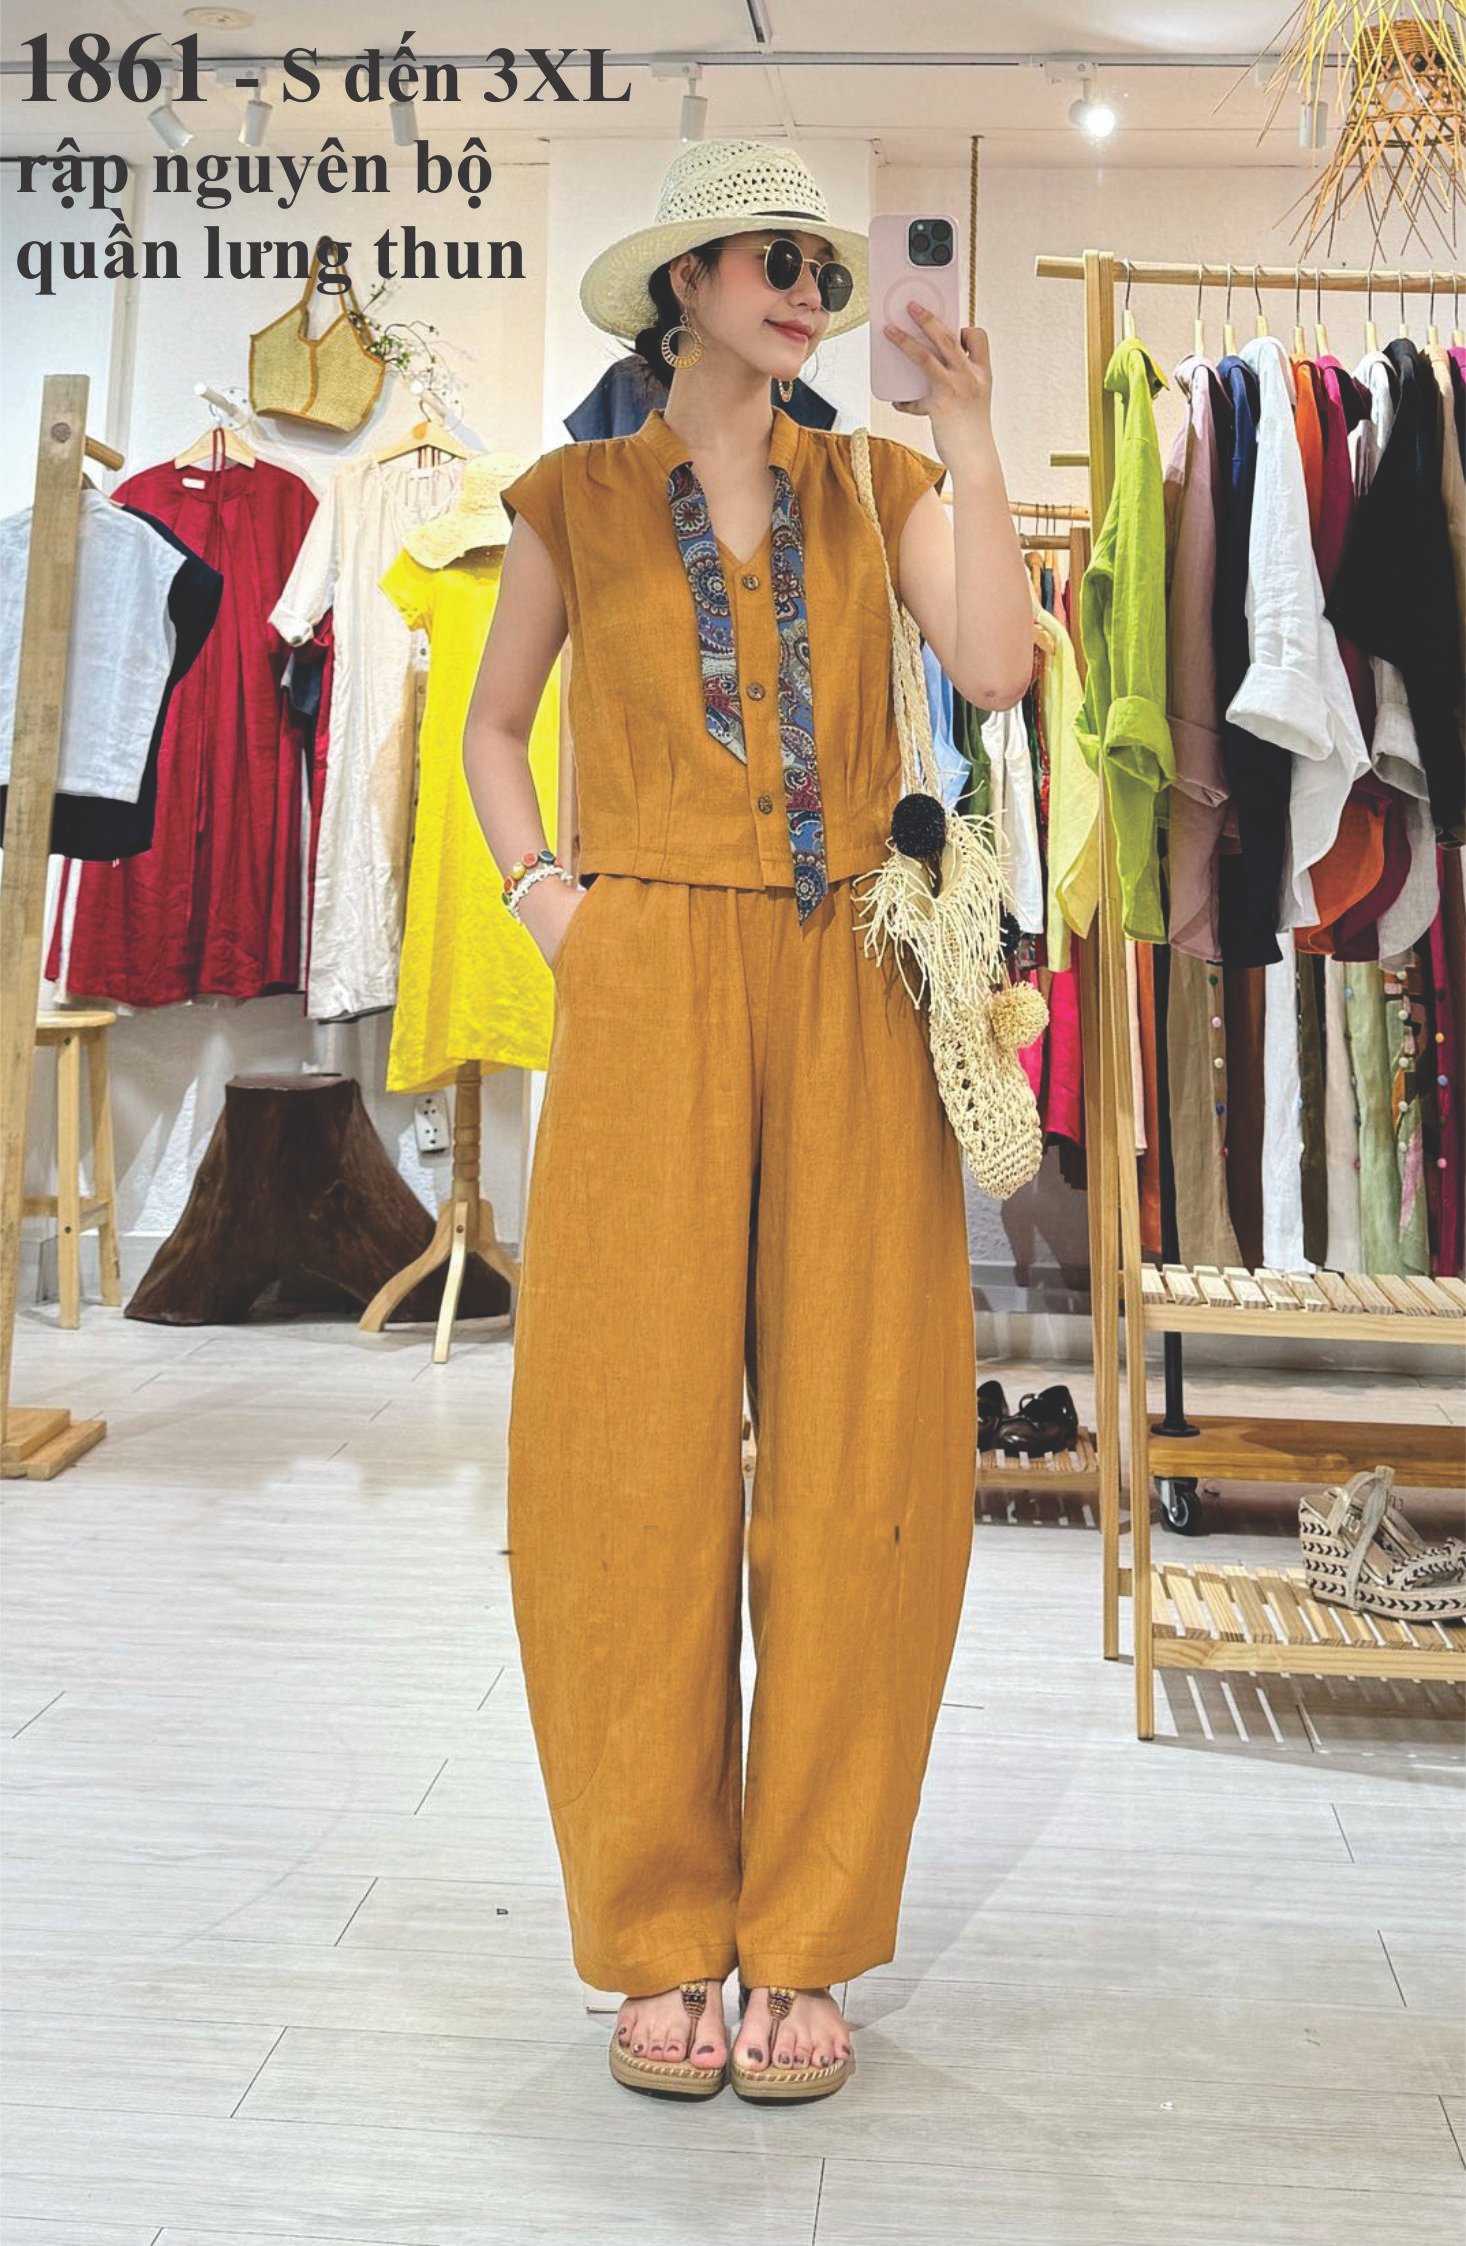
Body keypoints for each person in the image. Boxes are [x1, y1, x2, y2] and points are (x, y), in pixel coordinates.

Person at [462, 137, 1032, 2103]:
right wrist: (551, 898)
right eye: (768, 256)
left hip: (851, 971)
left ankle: (803, 1935)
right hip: (645, 979)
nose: (805, 285)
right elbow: (491, 726)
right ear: (682, 285)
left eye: (818, 261)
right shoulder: (567, 502)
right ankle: (653, 1930)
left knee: (864, 1450)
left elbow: (994, 664)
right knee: (620, 1452)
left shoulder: (878, 489)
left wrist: (968, 429)